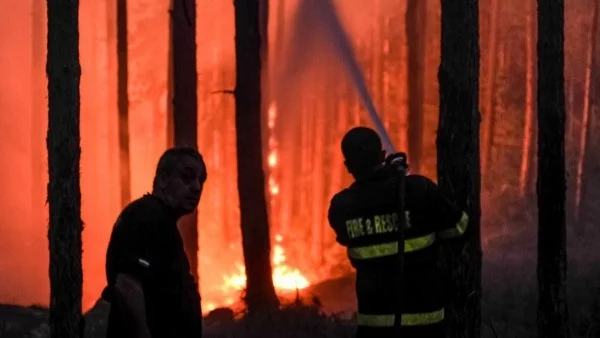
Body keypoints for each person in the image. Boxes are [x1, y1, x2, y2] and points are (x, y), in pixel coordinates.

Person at [327, 127, 469, 338]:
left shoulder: (341, 207)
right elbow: (460, 226)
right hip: (426, 322)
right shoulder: (417, 190)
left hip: (374, 326)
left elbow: (347, 236)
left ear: (348, 166)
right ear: (383, 156)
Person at [102, 147, 207, 338]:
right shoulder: (147, 215)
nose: (197, 187)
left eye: (201, 181)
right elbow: (127, 283)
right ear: (163, 180)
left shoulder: (162, 223)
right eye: (187, 177)